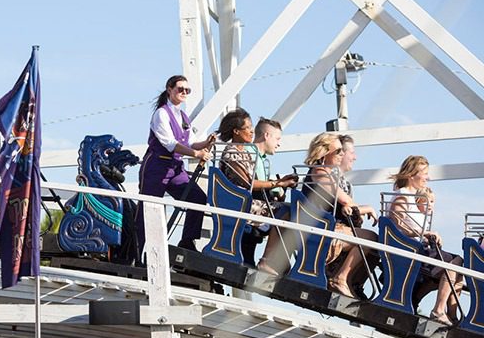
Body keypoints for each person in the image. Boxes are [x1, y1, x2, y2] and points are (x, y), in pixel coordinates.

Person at [135, 75, 215, 253]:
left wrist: (206, 143)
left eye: (187, 90)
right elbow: (170, 144)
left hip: (175, 167)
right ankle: (136, 252)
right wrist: (197, 153)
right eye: (180, 89)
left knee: (198, 198)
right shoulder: (162, 113)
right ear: (169, 89)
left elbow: (191, 142)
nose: (184, 93)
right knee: (148, 209)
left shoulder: (183, 116)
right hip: (157, 166)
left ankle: (187, 240)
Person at [217, 110, 297, 273]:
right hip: (240, 204)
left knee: (291, 209)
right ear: (236, 131)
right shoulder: (232, 152)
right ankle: (269, 260)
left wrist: (280, 186)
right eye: (248, 128)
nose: (252, 132)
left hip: (247, 202)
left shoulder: (244, 153)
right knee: (288, 211)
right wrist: (278, 183)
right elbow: (248, 183)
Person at [388, 156, 463, 325]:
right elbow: (395, 227)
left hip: (418, 248)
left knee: (457, 266)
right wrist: (424, 233)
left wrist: (428, 234)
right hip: (410, 251)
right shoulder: (402, 197)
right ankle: (439, 310)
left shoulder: (410, 197)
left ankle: (450, 313)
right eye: (425, 173)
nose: (427, 178)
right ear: (411, 174)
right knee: (455, 262)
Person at [301, 132, 377, 297]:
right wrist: (367, 208)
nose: (341, 154)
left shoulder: (327, 173)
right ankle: (340, 279)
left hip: (327, 227)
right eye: (338, 151)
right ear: (325, 152)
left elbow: (346, 204)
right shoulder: (320, 173)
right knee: (370, 238)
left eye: (343, 151)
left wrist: (350, 207)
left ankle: (351, 282)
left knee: (375, 246)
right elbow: (344, 199)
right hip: (319, 232)